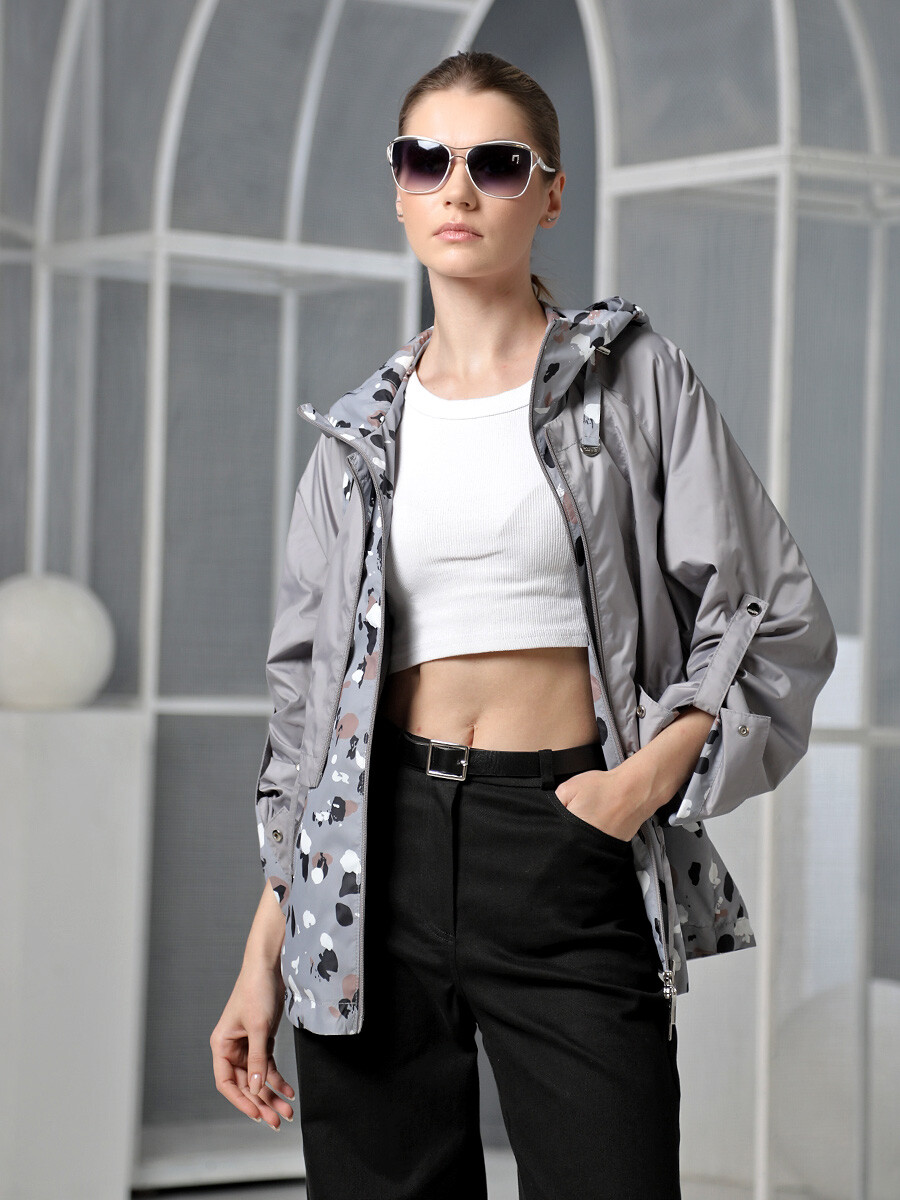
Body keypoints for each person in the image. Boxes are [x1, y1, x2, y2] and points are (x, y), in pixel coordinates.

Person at [210, 50, 837, 1199]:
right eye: (426, 161)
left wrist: (640, 784)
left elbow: (769, 610)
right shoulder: (356, 436)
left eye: (495, 163)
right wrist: (265, 952)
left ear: (549, 195)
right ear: (398, 189)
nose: (457, 188)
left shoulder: (630, 379)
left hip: (561, 836)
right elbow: (308, 729)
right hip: (371, 864)